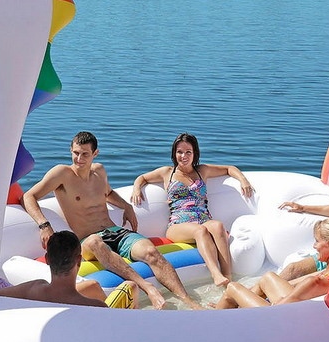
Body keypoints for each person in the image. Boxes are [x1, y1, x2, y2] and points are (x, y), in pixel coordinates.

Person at [22, 131, 201, 310]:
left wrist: (126, 206)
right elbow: (29, 196)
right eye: (76, 153)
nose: (79, 159)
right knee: (95, 242)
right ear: (70, 150)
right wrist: (44, 225)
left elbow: (107, 193)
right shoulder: (62, 174)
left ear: (95, 153)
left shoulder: (99, 171)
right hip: (87, 239)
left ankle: (189, 301)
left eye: (85, 154)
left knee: (151, 252)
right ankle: (148, 287)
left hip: (115, 232)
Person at [130, 133, 254, 288]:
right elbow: (142, 178)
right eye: (180, 152)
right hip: (178, 225)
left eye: (188, 152)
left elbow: (230, 168)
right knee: (200, 230)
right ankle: (216, 274)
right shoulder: (167, 172)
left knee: (218, 226)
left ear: (195, 153)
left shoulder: (202, 171)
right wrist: (136, 189)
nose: (184, 156)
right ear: (174, 153)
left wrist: (243, 180)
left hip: (203, 218)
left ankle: (228, 278)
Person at [214, 218, 329, 309]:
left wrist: (242, 297)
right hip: (293, 309)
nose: (314, 246)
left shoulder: (316, 281)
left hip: (276, 318)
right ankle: (227, 307)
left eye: (317, 241)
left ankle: (213, 318)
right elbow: (293, 286)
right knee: (268, 277)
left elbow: (277, 312)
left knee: (232, 288)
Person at [0, 230, 139, 308]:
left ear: (47, 259)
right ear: (79, 260)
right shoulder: (95, 306)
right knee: (130, 286)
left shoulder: (32, 290)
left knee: (93, 285)